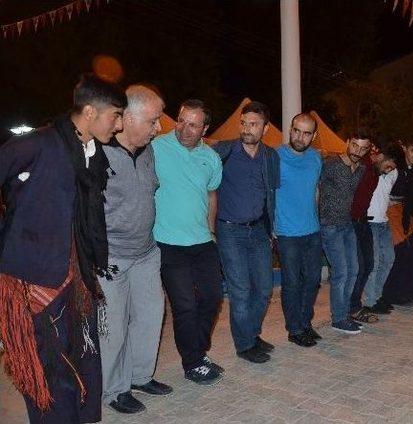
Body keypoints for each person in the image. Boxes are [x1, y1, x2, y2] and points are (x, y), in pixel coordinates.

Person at [0, 74, 126, 423]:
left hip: (75, 273)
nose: (118, 125)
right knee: (48, 371)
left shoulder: (93, 152)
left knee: (82, 360)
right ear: (89, 112)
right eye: (115, 115)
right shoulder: (39, 143)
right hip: (34, 278)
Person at [99, 86, 172, 414]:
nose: (159, 128)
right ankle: (114, 390)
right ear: (127, 118)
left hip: (146, 252)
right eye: (153, 121)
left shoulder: (149, 150)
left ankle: (141, 376)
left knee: (150, 316)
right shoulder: (97, 152)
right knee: (113, 328)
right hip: (111, 257)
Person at [153, 99, 225, 384]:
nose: (183, 128)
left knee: (212, 298)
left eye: (193, 124)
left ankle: (198, 350)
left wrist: (212, 232)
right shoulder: (156, 147)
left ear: (205, 128)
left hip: (202, 242)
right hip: (167, 242)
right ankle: (193, 363)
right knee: (184, 305)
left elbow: (211, 195)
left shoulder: (212, 158)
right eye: (181, 121)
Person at [213, 101, 280, 363]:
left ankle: (251, 334)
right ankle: (244, 345)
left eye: (253, 124)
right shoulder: (224, 151)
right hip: (230, 231)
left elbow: (271, 194)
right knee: (240, 290)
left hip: (259, 232)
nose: (247, 128)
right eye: (244, 123)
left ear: (265, 128)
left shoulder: (270, 156)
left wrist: (272, 229)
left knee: (264, 289)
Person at [275, 113, 323, 347]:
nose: (299, 137)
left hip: (312, 230)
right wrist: (271, 225)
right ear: (290, 129)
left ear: (313, 136)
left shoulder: (316, 158)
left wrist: (316, 218)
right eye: (296, 130)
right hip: (286, 233)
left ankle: (305, 322)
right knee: (292, 283)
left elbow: (315, 191)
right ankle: (294, 329)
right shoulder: (275, 156)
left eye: (306, 133)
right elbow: (267, 192)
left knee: (313, 281)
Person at [319, 130, 371, 334]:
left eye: (363, 148)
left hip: (347, 225)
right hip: (329, 225)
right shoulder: (330, 165)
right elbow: (316, 188)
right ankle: (338, 319)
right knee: (341, 272)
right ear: (347, 142)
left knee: (354, 269)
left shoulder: (361, 169)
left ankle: (345, 313)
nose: (358, 151)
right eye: (355, 145)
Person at [351, 142, 398, 321]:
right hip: (368, 222)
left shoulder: (392, 172)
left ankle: (376, 296)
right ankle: (370, 301)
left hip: (383, 222)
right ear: (381, 156)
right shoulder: (366, 170)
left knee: (388, 259)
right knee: (374, 262)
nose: (389, 170)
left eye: (392, 168)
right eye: (388, 165)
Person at [381, 139, 413, 306]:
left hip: (406, 213)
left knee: (410, 251)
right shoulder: (394, 167)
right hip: (390, 212)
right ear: (405, 148)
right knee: (398, 252)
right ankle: (390, 294)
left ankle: (404, 292)